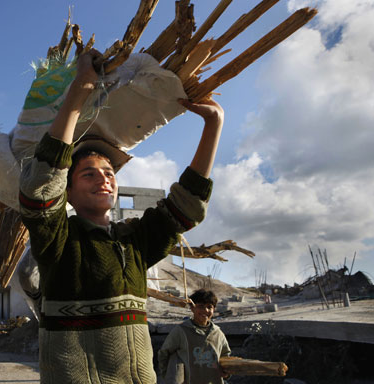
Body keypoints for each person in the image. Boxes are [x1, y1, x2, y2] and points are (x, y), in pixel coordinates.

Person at [18, 50, 224, 383]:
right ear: (67, 191)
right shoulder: (58, 239)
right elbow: (41, 187)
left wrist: (213, 125)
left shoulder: (134, 240)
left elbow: (186, 205)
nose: (104, 178)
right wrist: (80, 90)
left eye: (109, 172)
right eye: (88, 174)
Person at [158, 289, 231, 384]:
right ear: (192, 308)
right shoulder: (181, 331)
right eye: (201, 306)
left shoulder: (218, 333)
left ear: (214, 309)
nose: (205, 310)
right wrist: (168, 376)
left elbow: (226, 357)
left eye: (209, 307)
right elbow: (164, 354)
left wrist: (226, 373)